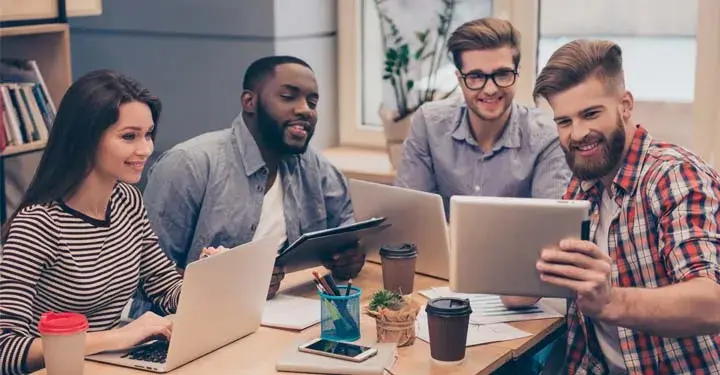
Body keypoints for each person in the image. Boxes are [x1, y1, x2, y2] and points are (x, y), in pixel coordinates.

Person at [529, 39, 720, 374]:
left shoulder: (673, 176)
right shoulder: (582, 188)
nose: (578, 134)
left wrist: (610, 301)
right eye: (564, 122)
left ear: (626, 105)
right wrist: (523, 285)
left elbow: (711, 304)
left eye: (590, 114)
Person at [0, 70, 190, 374]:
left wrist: (217, 281)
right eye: (129, 136)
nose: (146, 149)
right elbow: (5, 349)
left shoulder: (128, 200)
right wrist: (116, 337)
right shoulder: (38, 224)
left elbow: (164, 287)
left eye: (148, 134)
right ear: (86, 139)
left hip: (107, 365)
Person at [141, 55, 364, 302]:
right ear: (249, 102)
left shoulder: (314, 166)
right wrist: (236, 282)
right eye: (288, 97)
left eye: (312, 102)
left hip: (287, 312)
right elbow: (148, 276)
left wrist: (348, 258)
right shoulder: (189, 164)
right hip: (194, 322)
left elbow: (346, 229)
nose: (305, 110)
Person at [395, 17, 571, 219]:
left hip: (518, 251)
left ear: (518, 74)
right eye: (476, 76)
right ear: (460, 80)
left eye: (503, 74)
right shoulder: (428, 123)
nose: (490, 89)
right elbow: (409, 214)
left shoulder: (547, 137)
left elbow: (550, 226)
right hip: (443, 250)